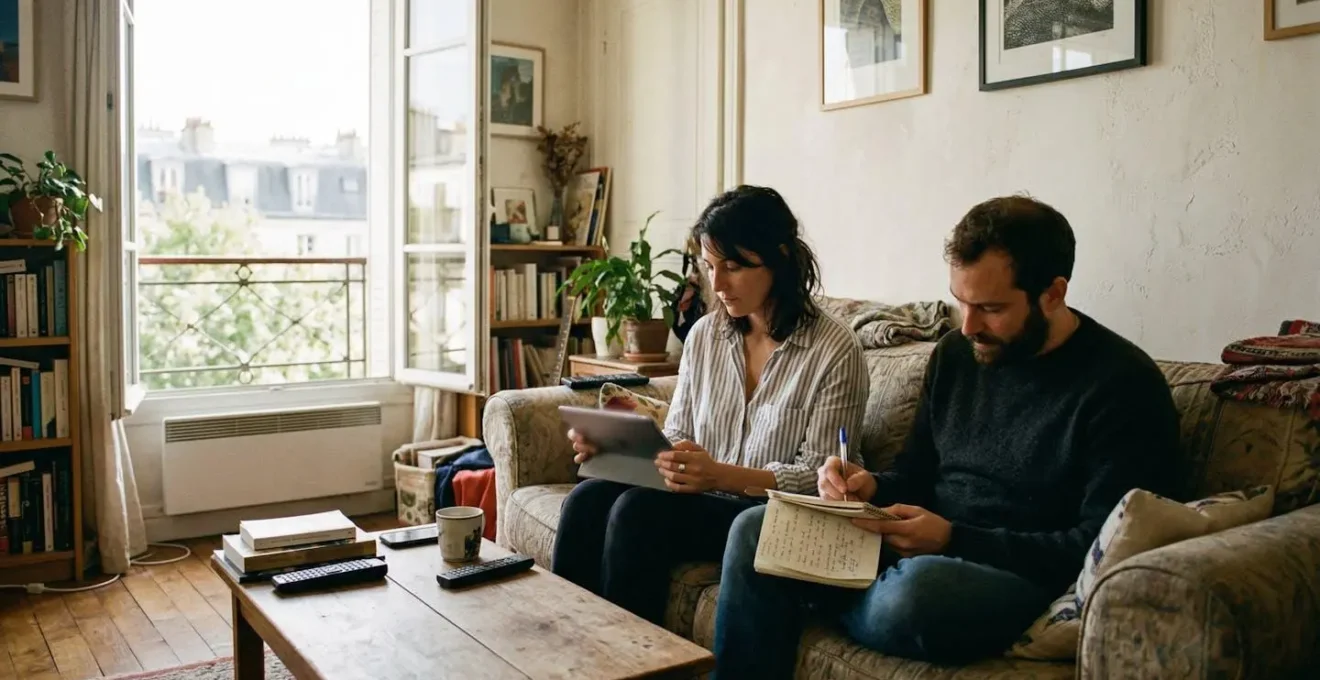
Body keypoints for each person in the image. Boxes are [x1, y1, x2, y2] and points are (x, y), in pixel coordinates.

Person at [711, 195, 1180, 677]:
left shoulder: (1122, 386)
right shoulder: (956, 354)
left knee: (915, 595)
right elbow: (915, 475)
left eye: (991, 308)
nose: (969, 326)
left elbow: (1096, 545)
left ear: (1053, 293)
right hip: (915, 548)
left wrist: (954, 539)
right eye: (961, 302)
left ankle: (808, 594)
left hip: (1010, 572)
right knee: (756, 528)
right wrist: (869, 484)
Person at [550, 185, 868, 626]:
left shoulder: (835, 351)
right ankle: (569, 654)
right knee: (587, 499)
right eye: (710, 266)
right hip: (700, 503)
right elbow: (680, 432)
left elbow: (821, 480)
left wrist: (721, 475)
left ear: (778, 257)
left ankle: (635, 668)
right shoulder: (704, 336)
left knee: (637, 512)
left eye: (733, 267)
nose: (717, 285)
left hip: (766, 519)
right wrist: (620, 450)